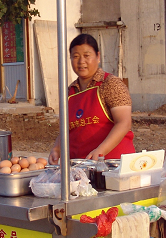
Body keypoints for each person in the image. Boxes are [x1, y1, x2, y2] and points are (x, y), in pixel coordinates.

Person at [48, 34, 135, 164]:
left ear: (98, 56)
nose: (81, 61)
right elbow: (68, 129)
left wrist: (100, 151)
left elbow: (124, 123)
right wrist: (57, 148)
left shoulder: (111, 84)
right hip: (80, 166)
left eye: (87, 55)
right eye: (76, 56)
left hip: (113, 165)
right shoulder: (69, 91)